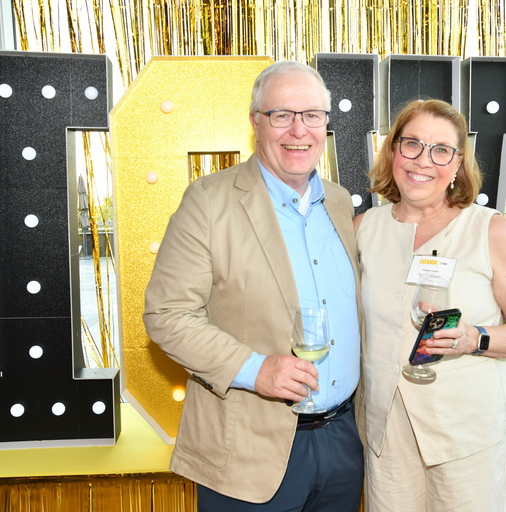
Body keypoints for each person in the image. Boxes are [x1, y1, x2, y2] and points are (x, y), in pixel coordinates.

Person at [143, 60, 364, 511]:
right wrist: (254, 368)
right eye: (281, 115)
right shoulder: (208, 201)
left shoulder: (340, 203)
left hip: (344, 441)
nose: (298, 130)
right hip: (247, 452)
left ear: (326, 124)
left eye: (312, 116)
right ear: (255, 122)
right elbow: (167, 315)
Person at [354, 99, 506, 511]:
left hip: (465, 434)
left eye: (441, 149)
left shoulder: (488, 229)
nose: (423, 160)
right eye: (411, 144)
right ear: (393, 151)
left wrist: (473, 339)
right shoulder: (365, 228)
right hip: (386, 433)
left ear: (458, 164)